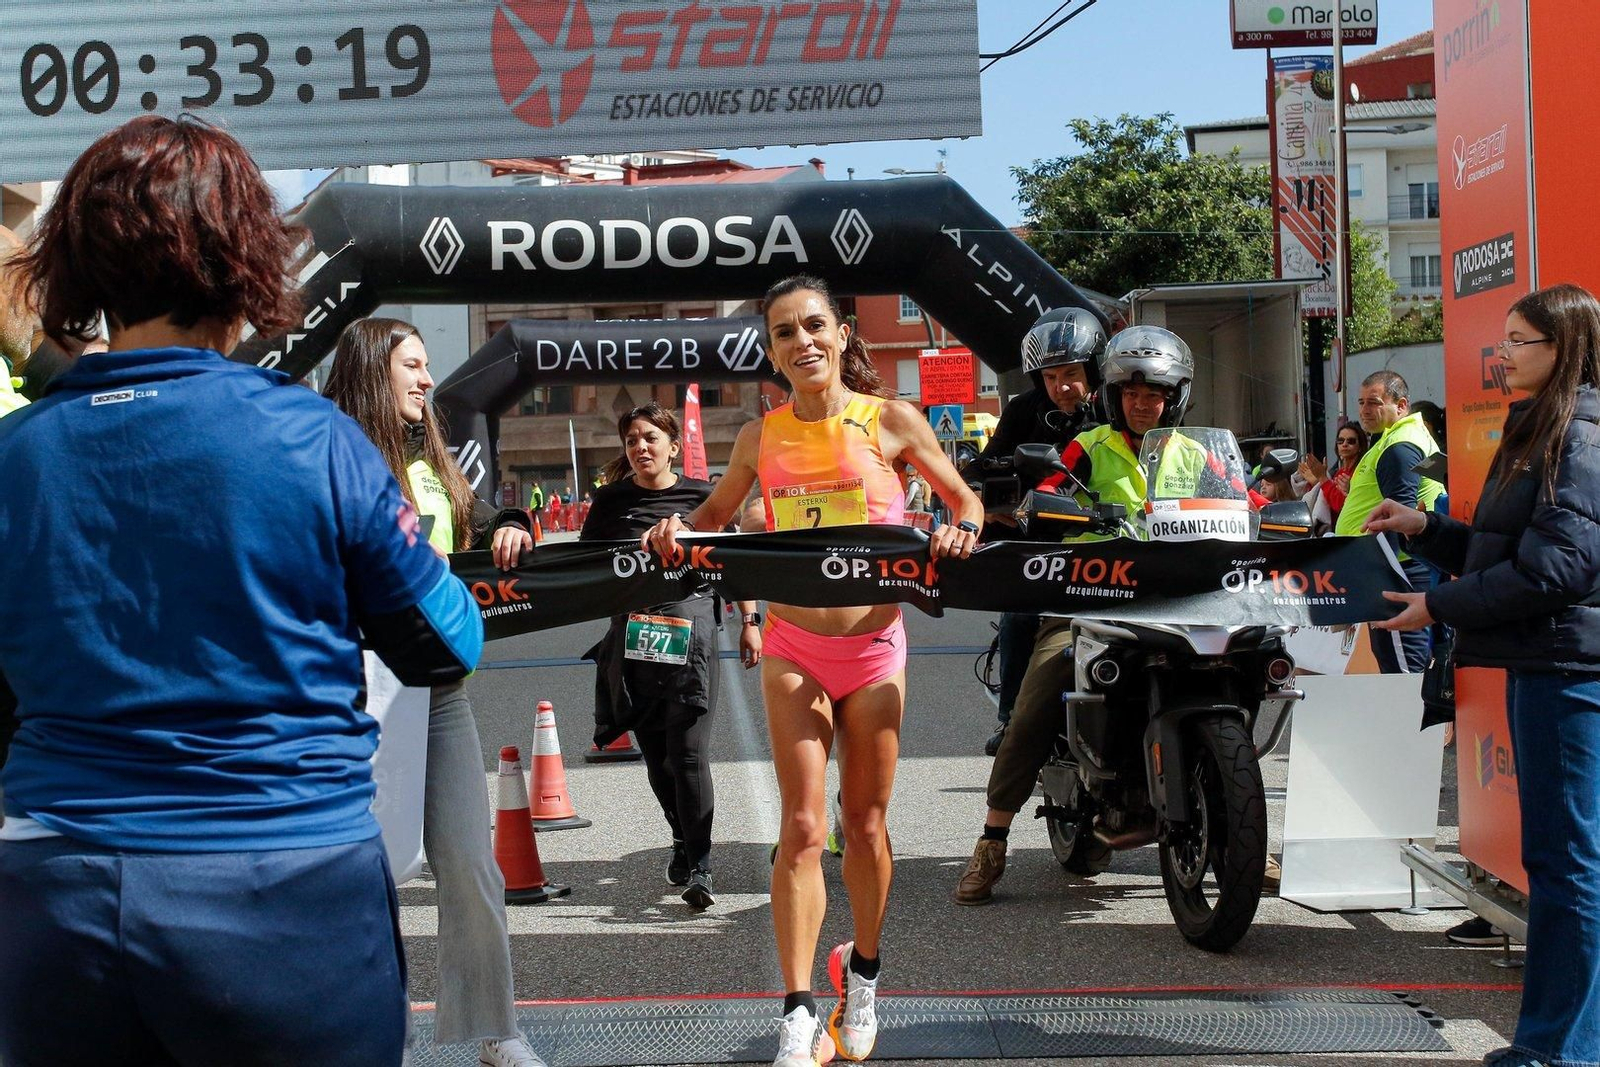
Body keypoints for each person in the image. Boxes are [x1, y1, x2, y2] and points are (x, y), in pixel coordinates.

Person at [0, 114, 484, 1067]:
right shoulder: (314, 441)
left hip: (56, 894)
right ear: (245, 261)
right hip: (285, 894)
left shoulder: (16, 457)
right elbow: (442, 641)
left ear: (85, 264)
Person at [640, 274, 982, 1067]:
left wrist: (960, 531)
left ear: (841, 336)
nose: (804, 342)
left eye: (815, 326)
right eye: (786, 333)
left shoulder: (889, 421)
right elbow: (711, 518)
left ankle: (862, 976)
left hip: (872, 647)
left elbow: (964, 501)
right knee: (799, 826)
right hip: (794, 645)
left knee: (862, 824)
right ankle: (798, 1010)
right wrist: (674, 529)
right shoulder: (760, 438)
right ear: (772, 352)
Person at [1365, 283, 1600, 1067]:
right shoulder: (1542, 426)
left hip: (1569, 671)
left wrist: (1436, 607)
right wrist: (1427, 528)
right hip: (1547, 665)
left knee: (1569, 868)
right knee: (1562, 864)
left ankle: (1558, 1051)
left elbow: (1558, 568)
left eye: (1518, 341)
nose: (1502, 354)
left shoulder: (1579, 432)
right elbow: (1504, 553)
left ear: (1562, 347)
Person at [323, 318, 544, 1067]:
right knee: (365, 868)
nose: (426, 379)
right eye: (412, 365)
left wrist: (512, 522)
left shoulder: (432, 458)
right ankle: (368, 1032)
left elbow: (478, 527)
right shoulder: (331, 455)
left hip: (441, 692)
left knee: (471, 864)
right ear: (370, 369)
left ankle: (496, 1030)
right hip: (357, 690)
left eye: (427, 365)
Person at [955, 325, 1209, 905]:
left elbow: (1243, 502)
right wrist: (1049, 510)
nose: (1144, 405)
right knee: (1038, 693)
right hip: (1089, 600)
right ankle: (993, 837)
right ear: (1114, 396)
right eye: (1132, 394)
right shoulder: (1088, 446)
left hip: (1181, 599)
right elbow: (1044, 491)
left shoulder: (1194, 454)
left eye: (1156, 395)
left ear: (1176, 399)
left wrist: (1279, 518)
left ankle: (1238, 816)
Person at [495, 403, 761, 911]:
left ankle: (701, 863)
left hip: (691, 626)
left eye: (650, 438)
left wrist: (751, 622)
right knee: (657, 755)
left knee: (687, 752)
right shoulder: (611, 501)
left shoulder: (705, 498)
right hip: (634, 634)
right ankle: (681, 838)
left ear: (673, 446)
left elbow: (735, 566)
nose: (641, 447)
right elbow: (585, 565)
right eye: (632, 440)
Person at [973, 307, 1106, 757]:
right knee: (1019, 618)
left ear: (1093, 370)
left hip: (1113, 541)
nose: (1060, 387)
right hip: (1043, 543)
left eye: (1070, 374)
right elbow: (983, 468)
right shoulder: (1023, 410)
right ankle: (1010, 721)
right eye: (1050, 378)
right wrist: (999, 507)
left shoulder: (1118, 404)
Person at [1333, 370, 1444, 673]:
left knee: (1403, 671)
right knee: (1403, 666)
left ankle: (1411, 721)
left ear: (1401, 405)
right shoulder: (1410, 437)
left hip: (1398, 571)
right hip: (1407, 567)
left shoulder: (1399, 447)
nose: (1365, 410)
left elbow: (1403, 513)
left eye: (1374, 402)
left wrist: (1382, 575)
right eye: (1361, 402)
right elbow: (1432, 490)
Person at [1299, 423, 1368, 528]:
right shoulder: (1339, 472)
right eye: (1340, 441)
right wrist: (1316, 482)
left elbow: (1338, 505)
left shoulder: (1361, 471)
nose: (1344, 444)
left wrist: (1322, 478)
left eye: (1351, 441)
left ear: (1360, 447)